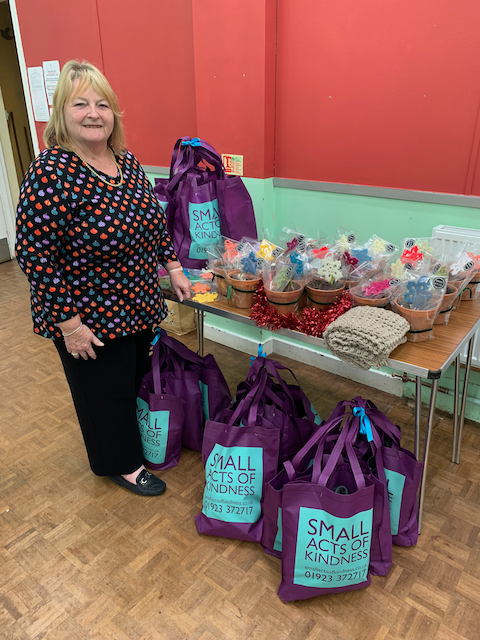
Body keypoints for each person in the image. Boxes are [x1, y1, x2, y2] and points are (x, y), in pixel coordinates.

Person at [15, 60, 191, 496]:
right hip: (86, 315)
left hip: (136, 304)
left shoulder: (126, 163)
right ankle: (122, 464)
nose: (94, 113)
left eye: (102, 104)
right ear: (61, 113)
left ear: (114, 114)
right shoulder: (51, 172)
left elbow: (153, 223)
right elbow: (34, 256)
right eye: (81, 104)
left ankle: (127, 443)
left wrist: (173, 268)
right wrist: (70, 326)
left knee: (128, 384)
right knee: (102, 395)